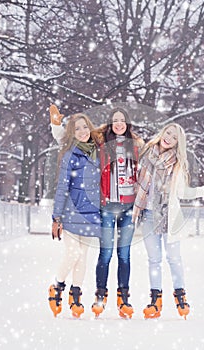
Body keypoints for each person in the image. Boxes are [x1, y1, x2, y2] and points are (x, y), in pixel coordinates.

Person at [132, 123, 204, 319]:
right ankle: (155, 300)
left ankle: (180, 296)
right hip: (148, 215)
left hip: (170, 218)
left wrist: (203, 191)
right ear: (162, 133)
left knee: (174, 259)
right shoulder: (146, 154)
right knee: (154, 260)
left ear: (178, 143)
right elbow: (136, 182)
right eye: (168, 133)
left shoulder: (178, 163)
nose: (169, 137)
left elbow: (182, 192)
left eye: (174, 137)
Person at [91, 107, 144, 319]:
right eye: (115, 121)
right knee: (105, 253)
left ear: (128, 123)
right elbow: (79, 136)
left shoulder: (137, 146)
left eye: (122, 120)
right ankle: (100, 296)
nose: (119, 124)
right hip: (107, 206)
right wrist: (58, 127)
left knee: (124, 255)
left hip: (128, 207)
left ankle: (123, 298)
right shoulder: (103, 145)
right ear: (110, 124)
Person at [48, 112, 102, 318]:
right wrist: (57, 217)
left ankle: (76, 295)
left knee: (83, 257)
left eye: (84, 127)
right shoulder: (70, 154)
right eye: (77, 128)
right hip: (71, 213)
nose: (82, 132)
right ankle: (57, 286)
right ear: (71, 133)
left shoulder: (97, 153)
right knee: (73, 253)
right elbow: (62, 187)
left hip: (91, 214)